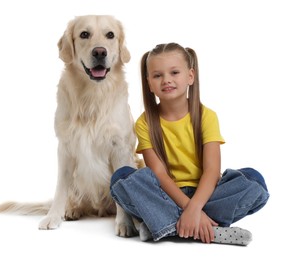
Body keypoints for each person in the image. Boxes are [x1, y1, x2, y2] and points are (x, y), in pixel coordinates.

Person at [110, 43, 269, 246]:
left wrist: (195, 208)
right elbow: (158, 173)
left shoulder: (206, 117)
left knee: (254, 180)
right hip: (165, 194)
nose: (166, 79)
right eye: (157, 75)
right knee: (122, 177)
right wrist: (189, 208)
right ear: (149, 83)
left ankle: (163, 224)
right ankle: (208, 229)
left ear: (190, 76)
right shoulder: (145, 122)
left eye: (174, 72)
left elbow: (212, 171)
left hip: (207, 194)